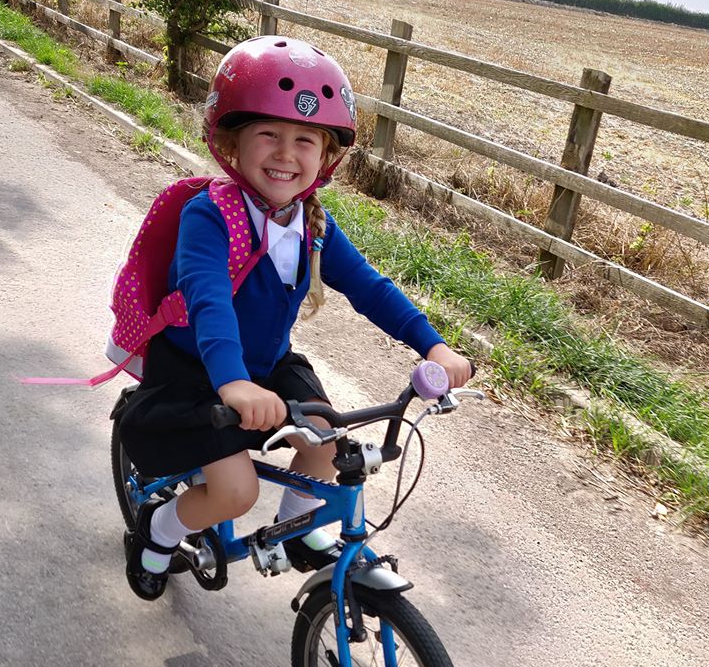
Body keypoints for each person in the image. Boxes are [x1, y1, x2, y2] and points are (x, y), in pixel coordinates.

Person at [117, 35, 472, 601]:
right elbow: (208, 300)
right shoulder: (208, 216)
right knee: (233, 492)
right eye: (268, 135)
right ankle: (157, 535)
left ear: (325, 156)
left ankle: (299, 531)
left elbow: (370, 289)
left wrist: (434, 346)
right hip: (196, 368)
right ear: (231, 142)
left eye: (305, 140)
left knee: (330, 438)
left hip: (266, 364)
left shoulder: (314, 224)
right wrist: (232, 383)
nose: (286, 154)